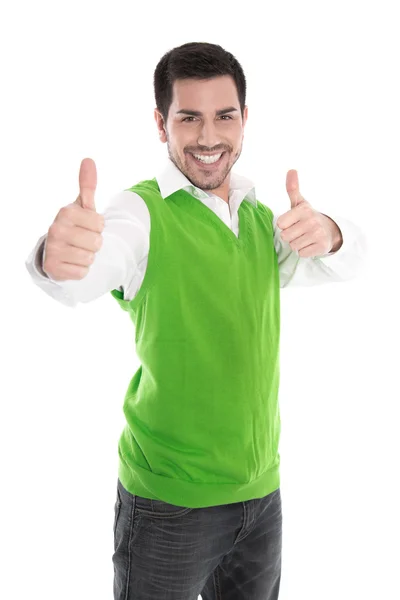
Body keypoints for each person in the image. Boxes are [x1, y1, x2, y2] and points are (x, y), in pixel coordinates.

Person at [25, 41, 367, 600]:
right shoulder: (140, 214)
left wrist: (330, 231)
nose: (209, 137)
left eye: (223, 116)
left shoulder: (261, 220)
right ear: (162, 125)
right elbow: (90, 267)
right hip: (169, 506)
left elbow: (346, 261)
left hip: (262, 496)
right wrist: (54, 259)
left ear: (244, 120)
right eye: (189, 118)